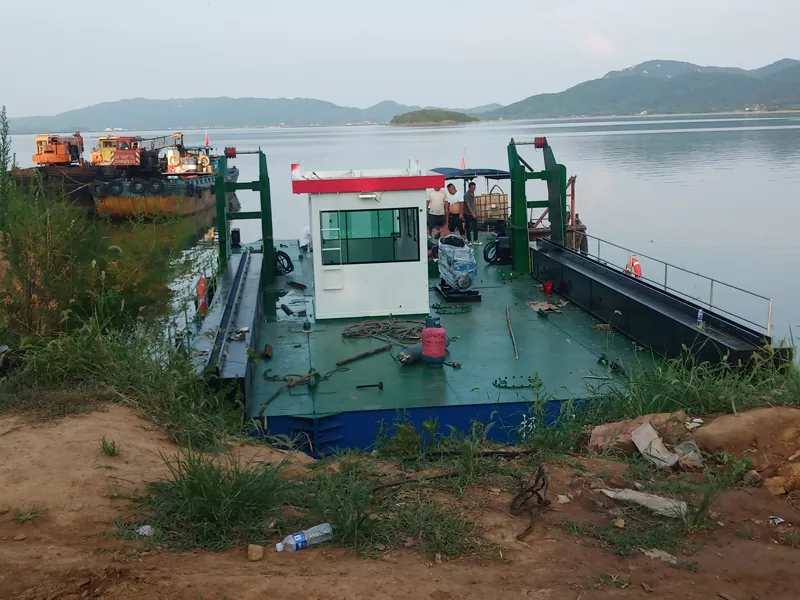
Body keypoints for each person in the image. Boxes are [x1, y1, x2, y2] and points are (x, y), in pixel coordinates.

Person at [463, 181, 480, 246]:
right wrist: (472, 213)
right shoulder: (466, 195)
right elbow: (468, 205)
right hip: (467, 213)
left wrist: (475, 212)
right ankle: (469, 240)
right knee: (468, 227)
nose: (473, 189)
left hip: (473, 211)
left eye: (474, 188)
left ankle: (475, 240)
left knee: (476, 227)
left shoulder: (473, 193)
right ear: (469, 188)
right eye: (472, 188)